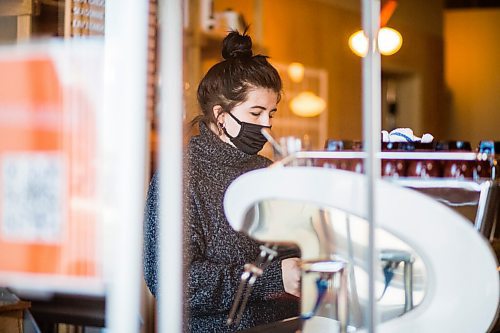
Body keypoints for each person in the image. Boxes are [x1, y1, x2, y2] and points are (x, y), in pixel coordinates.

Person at [144, 29, 301, 332]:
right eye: (256, 113)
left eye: (271, 113)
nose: (267, 124)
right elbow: (172, 279)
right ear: (221, 115)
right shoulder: (180, 176)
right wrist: (271, 278)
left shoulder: (269, 171)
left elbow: (287, 249)